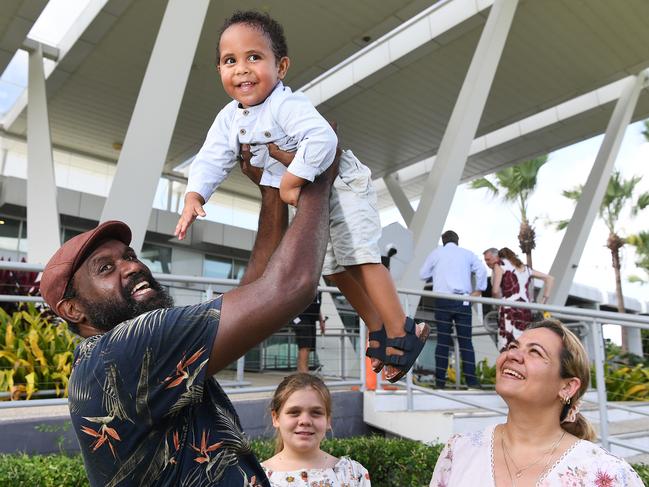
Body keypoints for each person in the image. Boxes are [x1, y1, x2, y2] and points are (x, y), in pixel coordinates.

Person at [38, 148, 338, 486]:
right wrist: (318, 166)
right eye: (106, 269)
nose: (133, 266)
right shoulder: (125, 349)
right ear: (73, 310)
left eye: (129, 256)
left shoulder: (103, 361)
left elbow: (255, 294)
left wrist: (271, 191)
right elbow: (290, 286)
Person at [174, 10, 429, 382]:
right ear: (219, 71)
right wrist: (194, 195)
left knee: (359, 256)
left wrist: (291, 182)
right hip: (314, 196)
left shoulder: (285, 105)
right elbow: (212, 156)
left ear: (282, 67)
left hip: (343, 184)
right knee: (333, 268)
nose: (242, 69)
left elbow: (323, 138)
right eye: (231, 61)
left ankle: (400, 329)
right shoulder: (230, 118)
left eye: (254, 57)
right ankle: (376, 327)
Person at [430, 319, 643, 486]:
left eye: (535, 352)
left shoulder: (607, 473)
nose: (513, 355)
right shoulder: (459, 450)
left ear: (567, 387)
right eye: (513, 346)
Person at [262, 373, 371, 486]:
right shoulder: (256, 479)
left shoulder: (352, 475)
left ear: (328, 420)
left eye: (316, 413)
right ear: (276, 418)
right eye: (294, 412)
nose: (305, 421)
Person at [419, 230, 487, 389]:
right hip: (463, 300)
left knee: (442, 342)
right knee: (466, 343)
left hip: (442, 300)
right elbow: (482, 270)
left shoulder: (436, 253)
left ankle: (440, 383)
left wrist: (436, 273)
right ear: (458, 240)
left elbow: (423, 274)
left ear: (443, 241)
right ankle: (472, 382)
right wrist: (479, 289)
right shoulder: (467, 253)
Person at [492, 247, 555, 352]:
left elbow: (495, 291)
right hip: (525, 309)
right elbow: (550, 278)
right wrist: (543, 302)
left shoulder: (500, 265)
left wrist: (497, 302)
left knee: (507, 344)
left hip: (508, 309)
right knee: (523, 342)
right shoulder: (526, 269)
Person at [292, 292, 325, 373]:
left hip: (311, 318)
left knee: (308, 347)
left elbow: (317, 305)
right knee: (305, 346)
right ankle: (304, 374)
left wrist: (321, 321)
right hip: (301, 316)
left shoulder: (318, 285)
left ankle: (301, 373)